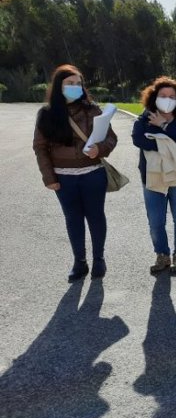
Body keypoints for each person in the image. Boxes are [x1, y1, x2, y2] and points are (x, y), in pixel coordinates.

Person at [33, 64, 118, 282]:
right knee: (73, 219)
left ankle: (99, 258)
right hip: (63, 179)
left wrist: (100, 149)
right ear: (58, 86)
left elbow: (111, 138)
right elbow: (40, 147)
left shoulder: (93, 110)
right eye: (69, 83)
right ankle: (79, 262)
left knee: (96, 216)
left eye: (78, 83)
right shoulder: (47, 114)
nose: (75, 87)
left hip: (93, 174)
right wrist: (49, 178)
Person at [132, 77, 176, 274]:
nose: (167, 99)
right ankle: (162, 254)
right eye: (163, 96)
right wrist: (167, 143)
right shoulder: (145, 117)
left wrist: (163, 127)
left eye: (172, 96)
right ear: (154, 97)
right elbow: (138, 139)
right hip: (152, 176)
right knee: (156, 220)